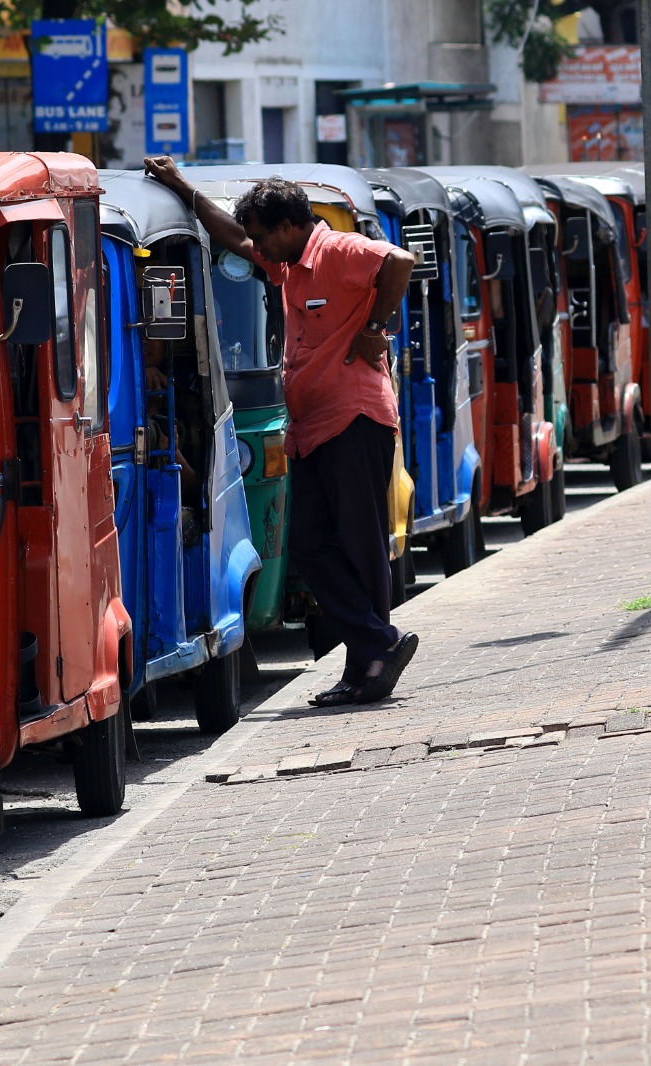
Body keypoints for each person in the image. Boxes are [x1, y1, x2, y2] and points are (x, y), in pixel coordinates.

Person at [143, 156, 420, 706]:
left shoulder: (338, 251)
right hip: (313, 428)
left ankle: (370, 664)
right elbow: (231, 236)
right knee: (311, 547)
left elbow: (401, 262)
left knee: (360, 547)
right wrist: (182, 187)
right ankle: (376, 648)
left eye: (265, 237)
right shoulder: (286, 265)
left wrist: (374, 327)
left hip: (354, 419)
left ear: (291, 226)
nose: (258, 249)